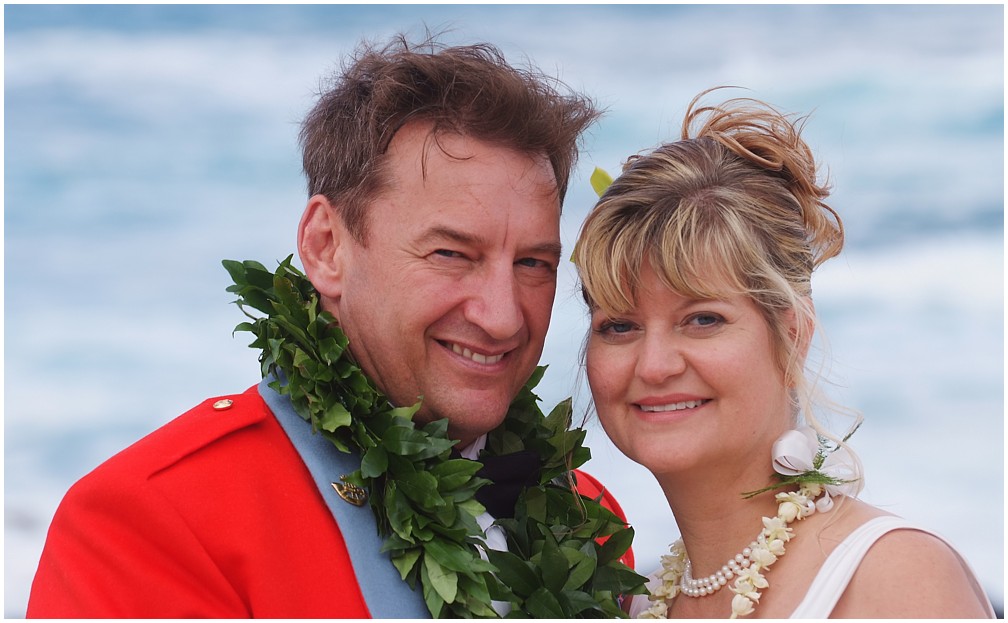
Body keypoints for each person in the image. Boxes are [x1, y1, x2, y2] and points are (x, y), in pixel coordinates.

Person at [28, 35, 641, 618]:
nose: (502, 315)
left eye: (533, 263)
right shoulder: (156, 520)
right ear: (326, 247)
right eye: (451, 254)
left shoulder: (585, 520)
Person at [573, 88, 994, 619]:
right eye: (619, 325)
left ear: (792, 334)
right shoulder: (637, 599)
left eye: (703, 320)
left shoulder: (893, 578)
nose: (654, 365)